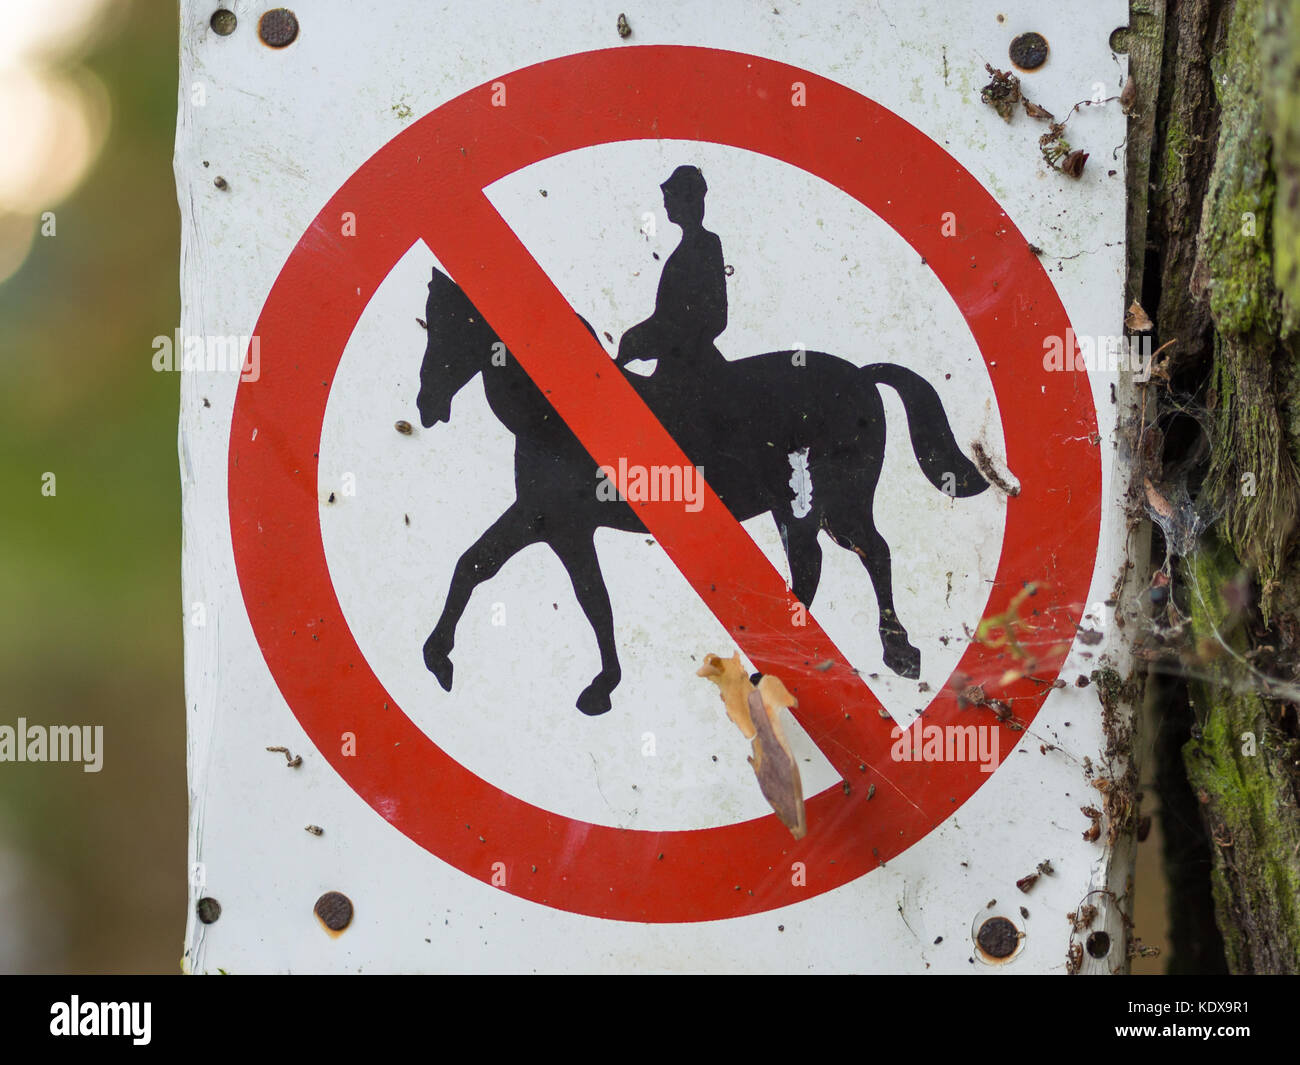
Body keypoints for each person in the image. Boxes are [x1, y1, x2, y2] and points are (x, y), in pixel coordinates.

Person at [617, 166, 728, 386]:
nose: (666, 204)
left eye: (671, 197)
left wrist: (656, 337)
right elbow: (665, 315)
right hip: (675, 359)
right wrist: (634, 339)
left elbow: (715, 316)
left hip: (692, 364)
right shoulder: (682, 251)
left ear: (688, 200)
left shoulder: (707, 244)